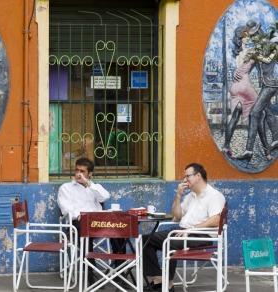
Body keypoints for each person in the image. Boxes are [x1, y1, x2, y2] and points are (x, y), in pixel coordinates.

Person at [142, 163, 226, 292]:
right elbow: (177, 216)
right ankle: (158, 279)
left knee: (169, 242)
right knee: (145, 240)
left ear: (198, 176)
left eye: (187, 176)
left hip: (202, 234)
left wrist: (192, 228)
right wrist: (178, 195)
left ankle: (168, 283)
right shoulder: (189, 197)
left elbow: (216, 219)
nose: (185, 180)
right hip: (183, 230)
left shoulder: (214, 195)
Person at [57, 157, 125, 286]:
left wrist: (88, 183)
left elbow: (105, 196)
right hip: (78, 222)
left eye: (82, 171)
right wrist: (79, 215)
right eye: (77, 170)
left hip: (98, 222)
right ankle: (90, 274)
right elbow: (65, 208)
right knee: (85, 232)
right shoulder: (66, 188)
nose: (78, 174)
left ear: (90, 174)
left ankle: (119, 272)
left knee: (120, 231)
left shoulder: (95, 187)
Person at [223, 26, 274, 160]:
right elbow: (267, 59)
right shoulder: (252, 50)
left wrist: (235, 73)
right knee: (260, 114)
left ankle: (226, 146)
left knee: (234, 117)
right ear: (243, 39)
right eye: (247, 37)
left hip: (235, 86)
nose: (250, 38)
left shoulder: (237, 53)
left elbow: (238, 69)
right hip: (245, 86)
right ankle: (267, 151)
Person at [236, 20, 278, 161]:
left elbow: (267, 61)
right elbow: (248, 66)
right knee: (268, 111)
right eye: (252, 36)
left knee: (254, 113)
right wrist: (238, 73)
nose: (253, 38)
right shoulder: (258, 49)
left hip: (272, 83)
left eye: (254, 35)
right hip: (267, 85)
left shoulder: (270, 46)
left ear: (259, 33)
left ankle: (249, 149)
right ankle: (276, 139)